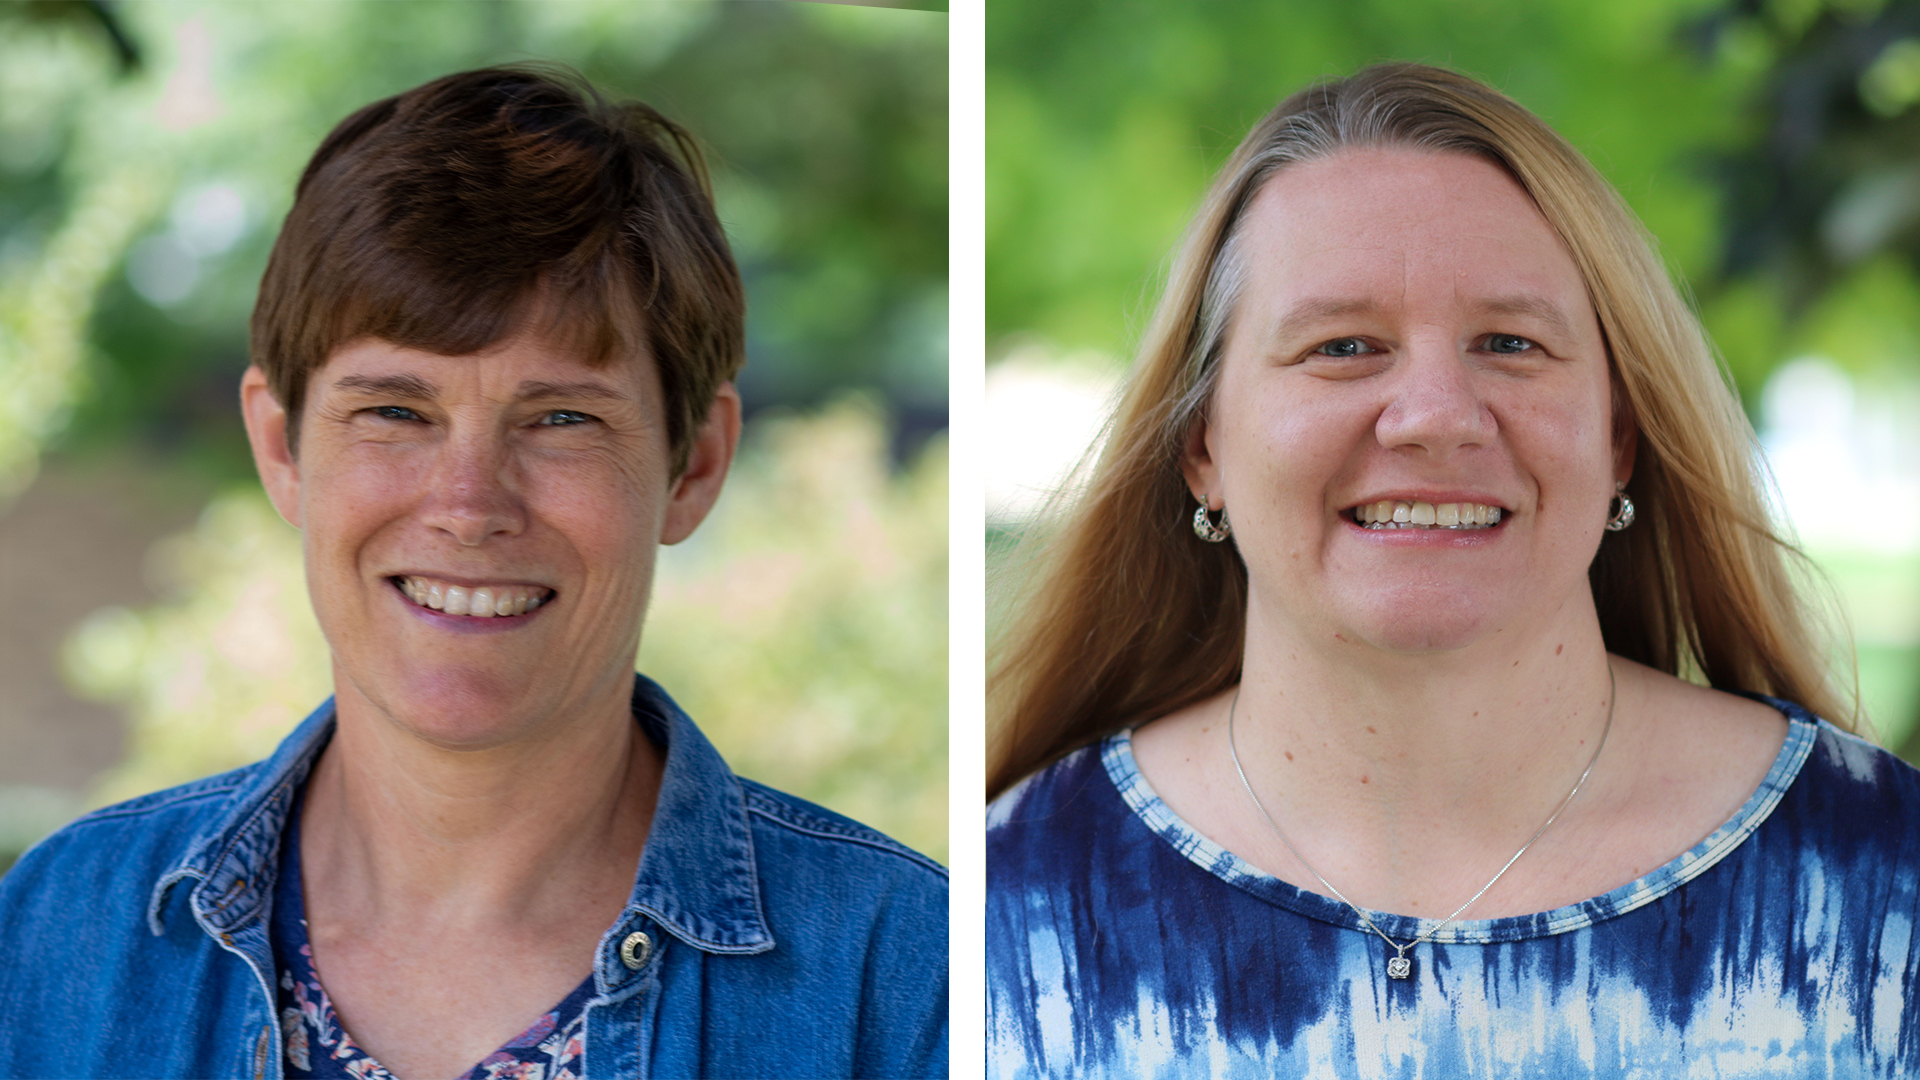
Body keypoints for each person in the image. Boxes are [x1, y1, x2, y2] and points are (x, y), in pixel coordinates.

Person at [0, 66, 947, 1079]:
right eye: (397, 412)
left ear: (694, 464)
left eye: (561, 419)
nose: (468, 505)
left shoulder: (909, 979)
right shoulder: (56, 939)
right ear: (282, 448)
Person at [985, 62, 1920, 1076]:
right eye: (1342, 346)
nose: (1436, 415)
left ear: (1618, 436)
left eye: (1510, 343)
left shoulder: (1892, 885)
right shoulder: (999, 917)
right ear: (1202, 445)